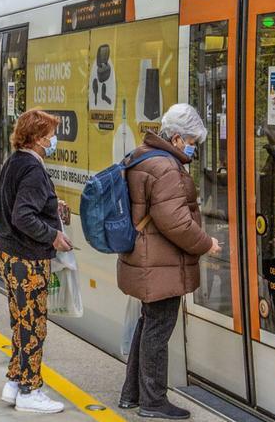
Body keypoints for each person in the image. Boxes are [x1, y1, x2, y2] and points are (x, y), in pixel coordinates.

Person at [117, 104, 221, 420]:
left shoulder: (143, 155)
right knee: (158, 331)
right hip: (160, 264)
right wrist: (207, 243)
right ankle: (153, 401)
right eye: (190, 140)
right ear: (176, 137)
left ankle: (131, 394)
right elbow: (175, 222)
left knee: (148, 325)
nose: (192, 147)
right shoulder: (166, 168)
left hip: (148, 260)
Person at [0, 109, 72, 414]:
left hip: (7, 251)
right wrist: (53, 235)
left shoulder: (16, 161)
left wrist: (53, 205)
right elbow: (22, 215)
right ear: (39, 138)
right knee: (33, 326)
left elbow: (20, 202)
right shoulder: (34, 170)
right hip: (26, 258)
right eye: (51, 134)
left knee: (20, 321)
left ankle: (14, 381)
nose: (54, 139)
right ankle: (30, 390)